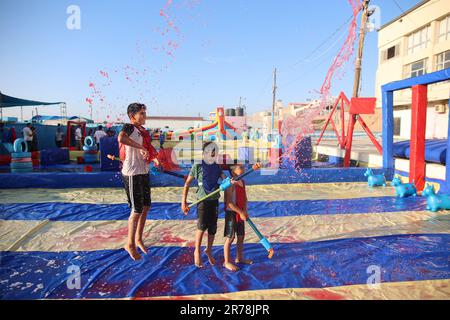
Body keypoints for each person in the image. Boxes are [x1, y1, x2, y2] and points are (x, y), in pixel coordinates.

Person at [181, 141, 235, 268]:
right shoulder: (198, 166)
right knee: (201, 226)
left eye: (215, 152)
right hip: (202, 200)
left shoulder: (217, 166)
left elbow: (224, 178)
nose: (214, 154)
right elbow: (187, 183)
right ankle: (197, 251)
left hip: (214, 199)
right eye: (212, 152)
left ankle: (209, 250)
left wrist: (229, 181)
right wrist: (183, 202)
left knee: (213, 227)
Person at [118, 103, 159, 261]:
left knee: (146, 206)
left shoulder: (143, 131)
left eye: (145, 113)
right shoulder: (129, 127)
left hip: (143, 171)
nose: (144, 116)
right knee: (136, 210)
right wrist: (139, 147)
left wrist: (155, 159)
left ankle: (138, 239)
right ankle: (129, 243)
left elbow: (148, 149)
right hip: (132, 173)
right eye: (141, 113)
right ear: (132, 116)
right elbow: (121, 138)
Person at [223, 164, 252, 271]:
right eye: (241, 168)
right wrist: (240, 212)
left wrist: (245, 210)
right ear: (233, 172)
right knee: (230, 238)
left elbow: (245, 198)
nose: (243, 169)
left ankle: (239, 258)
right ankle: (226, 262)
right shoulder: (229, 184)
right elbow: (229, 204)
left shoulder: (242, 182)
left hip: (241, 213)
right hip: (232, 213)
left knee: (241, 236)